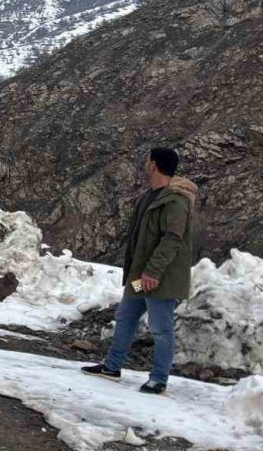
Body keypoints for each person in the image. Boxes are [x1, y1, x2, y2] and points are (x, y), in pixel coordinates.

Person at [82, 147, 197, 394]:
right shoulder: (151, 195)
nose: (145, 163)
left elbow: (172, 240)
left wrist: (153, 273)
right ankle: (112, 367)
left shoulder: (175, 201)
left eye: (147, 160)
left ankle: (159, 379)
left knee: (161, 328)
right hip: (139, 279)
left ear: (153, 164)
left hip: (159, 280)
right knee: (125, 316)